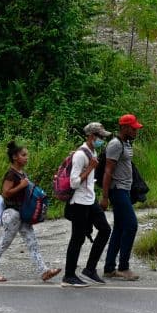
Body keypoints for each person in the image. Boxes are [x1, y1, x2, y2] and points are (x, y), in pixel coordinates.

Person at [0, 140, 61, 284]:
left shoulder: (21, 173)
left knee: (32, 242)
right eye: (23, 155)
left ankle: (44, 271)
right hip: (12, 214)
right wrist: (21, 186)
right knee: (5, 243)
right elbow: (5, 193)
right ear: (15, 157)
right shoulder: (11, 174)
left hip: (22, 214)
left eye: (26, 155)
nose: (26, 158)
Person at [61, 123, 113, 288]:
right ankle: (69, 276)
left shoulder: (93, 152)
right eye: (100, 137)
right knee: (77, 238)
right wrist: (90, 168)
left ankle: (89, 269)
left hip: (90, 200)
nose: (102, 140)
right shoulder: (80, 155)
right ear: (92, 136)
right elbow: (74, 182)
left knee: (105, 230)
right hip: (78, 202)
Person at [100, 114, 143, 281]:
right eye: (133, 128)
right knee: (131, 225)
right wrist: (105, 197)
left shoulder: (126, 143)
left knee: (119, 228)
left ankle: (109, 268)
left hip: (124, 190)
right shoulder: (115, 144)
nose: (135, 131)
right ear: (124, 128)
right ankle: (123, 267)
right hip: (117, 190)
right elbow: (108, 171)